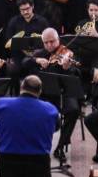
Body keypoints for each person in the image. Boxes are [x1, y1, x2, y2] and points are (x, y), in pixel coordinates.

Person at [22, 28, 80, 160]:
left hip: (65, 92)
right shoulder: (40, 53)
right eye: (46, 42)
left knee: (73, 110)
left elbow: (78, 73)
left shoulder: (68, 54)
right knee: (37, 110)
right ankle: (36, 143)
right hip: (46, 93)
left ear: (58, 40)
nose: (49, 45)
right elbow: (24, 62)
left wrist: (67, 68)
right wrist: (37, 61)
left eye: (52, 42)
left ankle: (60, 146)